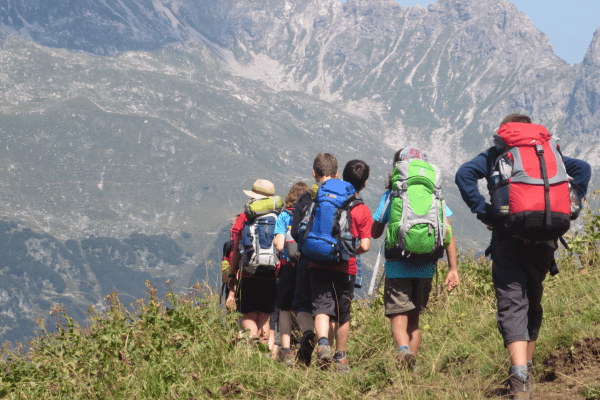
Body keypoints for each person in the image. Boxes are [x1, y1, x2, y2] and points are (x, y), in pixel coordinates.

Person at [455, 114, 591, 399]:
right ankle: (525, 368)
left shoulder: (499, 151)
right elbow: (584, 168)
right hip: (546, 239)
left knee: (512, 302)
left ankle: (519, 380)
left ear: (507, 131)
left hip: (510, 237)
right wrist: (573, 200)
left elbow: (464, 174)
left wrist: (485, 212)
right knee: (532, 302)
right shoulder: (549, 151)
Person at [371, 147, 459, 371]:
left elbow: (375, 231)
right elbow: (447, 233)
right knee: (414, 320)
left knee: (398, 315)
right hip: (426, 265)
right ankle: (412, 370)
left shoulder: (392, 194)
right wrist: (453, 268)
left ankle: (403, 350)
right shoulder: (434, 195)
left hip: (398, 264)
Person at [305, 158, 372, 372]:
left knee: (322, 308)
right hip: (345, 267)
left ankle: (323, 342)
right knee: (343, 314)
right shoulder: (361, 210)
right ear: (365, 183)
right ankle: (340, 358)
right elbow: (365, 245)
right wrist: (350, 251)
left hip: (317, 261)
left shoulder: (325, 198)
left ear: (341, 175)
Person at [226, 179, 279, 344]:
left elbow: (236, 250)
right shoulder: (278, 216)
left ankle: (252, 350)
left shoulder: (245, 217)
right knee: (264, 319)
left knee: (248, 317)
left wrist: (232, 274)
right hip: (271, 277)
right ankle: (263, 358)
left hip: (249, 276)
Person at [272, 181, 310, 365]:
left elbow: (279, 244)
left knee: (285, 309)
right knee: (304, 307)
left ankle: (286, 350)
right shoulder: (309, 213)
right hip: (305, 267)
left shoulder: (284, 216)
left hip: (288, 267)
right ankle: (307, 341)